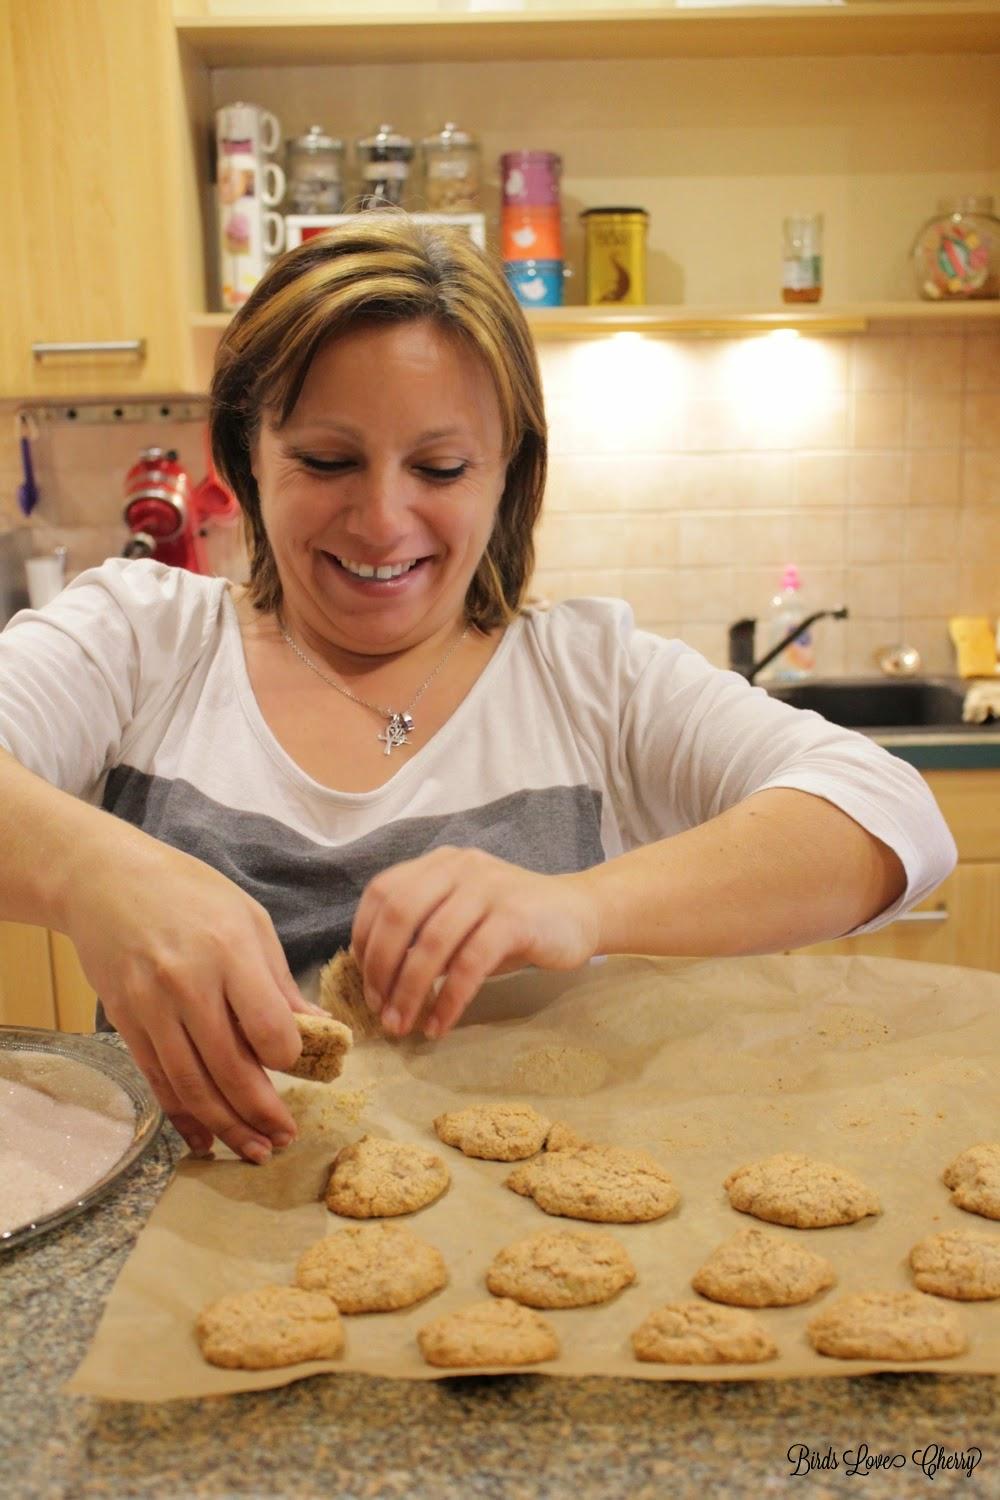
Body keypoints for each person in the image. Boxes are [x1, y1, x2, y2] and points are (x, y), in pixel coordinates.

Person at [0, 216, 955, 1167]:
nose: (381, 520)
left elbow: (890, 815)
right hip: (169, 1249)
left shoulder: (591, 677)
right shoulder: (141, 639)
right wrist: (95, 875)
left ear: (510, 475)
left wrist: (580, 907)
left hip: (510, 1241)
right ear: (247, 454)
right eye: (327, 460)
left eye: (442, 468)